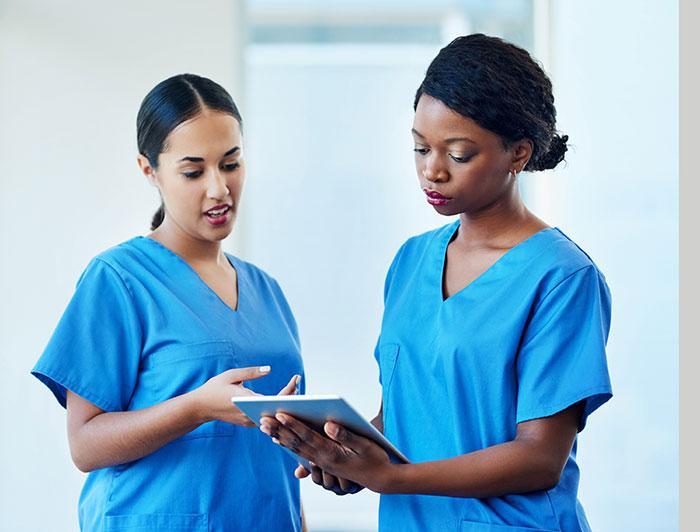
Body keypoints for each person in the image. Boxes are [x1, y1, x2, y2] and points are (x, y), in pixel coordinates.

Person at [259, 34, 612, 532]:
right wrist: (343, 452)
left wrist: (390, 478)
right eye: (420, 147)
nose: (432, 170)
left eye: (459, 153)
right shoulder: (411, 262)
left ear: (519, 153)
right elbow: (405, 421)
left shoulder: (562, 278)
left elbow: (539, 458)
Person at [32, 74, 306, 531]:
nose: (218, 189)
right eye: (194, 171)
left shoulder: (267, 292)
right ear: (149, 170)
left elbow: (278, 459)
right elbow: (84, 445)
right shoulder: (118, 279)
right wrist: (195, 407)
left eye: (231, 164)